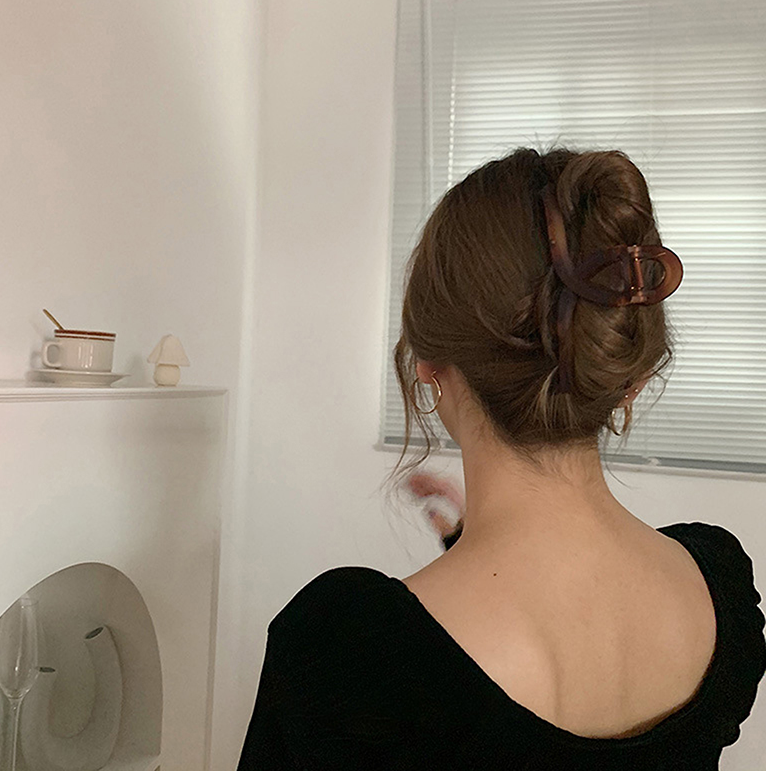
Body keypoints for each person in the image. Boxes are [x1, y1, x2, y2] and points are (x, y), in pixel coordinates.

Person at [236, 148, 766, 769]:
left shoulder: (350, 647)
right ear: (627, 379)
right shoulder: (717, 589)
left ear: (427, 361)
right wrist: (470, 539)